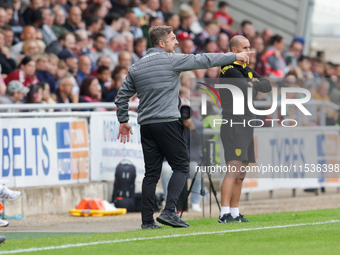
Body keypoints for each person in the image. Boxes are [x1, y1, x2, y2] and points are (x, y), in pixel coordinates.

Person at [115, 25, 253, 229]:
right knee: (181, 166)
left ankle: (147, 221)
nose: (176, 42)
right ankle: (170, 211)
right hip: (167, 122)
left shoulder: (136, 66)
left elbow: (121, 96)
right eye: (172, 39)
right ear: (161, 43)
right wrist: (233, 57)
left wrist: (123, 120)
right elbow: (204, 59)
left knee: (151, 174)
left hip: (146, 125)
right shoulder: (171, 60)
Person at [218, 35, 271, 223]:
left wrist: (253, 82)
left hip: (247, 125)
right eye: (245, 47)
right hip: (234, 124)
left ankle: (234, 212)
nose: (249, 51)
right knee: (233, 169)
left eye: (250, 47)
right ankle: (223, 213)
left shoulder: (246, 70)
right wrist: (253, 83)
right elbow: (246, 88)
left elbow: (267, 85)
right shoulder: (229, 69)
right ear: (234, 51)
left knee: (241, 174)